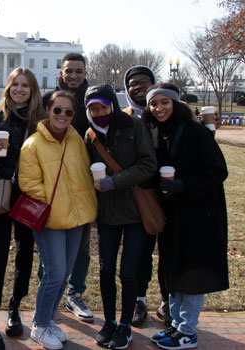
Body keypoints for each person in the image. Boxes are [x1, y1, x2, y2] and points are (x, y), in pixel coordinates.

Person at [143, 83, 228, 350]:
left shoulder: (196, 132)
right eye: (154, 104)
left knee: (192, 274)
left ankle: (188, 332)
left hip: (199, 214)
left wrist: (183, 185)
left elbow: (217, 171)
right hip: (174, 214)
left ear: (175, 104)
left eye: (164, 103)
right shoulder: (159, 133)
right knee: (175, 270)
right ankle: (177, 325)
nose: (159, 108)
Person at [18, 90, 97, 350]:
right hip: (51, 219)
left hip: (76, 218)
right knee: (53, 275)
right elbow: (29, 184)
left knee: (64, 275)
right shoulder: (32, 144)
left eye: (68, 112)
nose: (62, 116)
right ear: (47, 111)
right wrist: (59, 200)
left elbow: (84, 176)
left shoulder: (76, 140)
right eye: (57, 110)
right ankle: (39, 327)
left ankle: (47, 319)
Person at [0, 67, 46, 350]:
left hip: (30, 196)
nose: (19, 89)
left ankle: (15, 305)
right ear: (8, 87)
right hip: (2, 193)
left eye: (25, 86)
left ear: (32, 90)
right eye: (15, 84)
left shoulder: (41, 119)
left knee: (25, 253)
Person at [85, 84, 157, 349]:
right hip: (107, 213)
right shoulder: (90, 134)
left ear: (112, 104)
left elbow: (148, 164)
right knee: (105, 270)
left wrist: (116, 182)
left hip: (136, 210)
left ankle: (125, 324)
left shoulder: (133, 126)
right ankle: (109, 322)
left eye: (103, 106)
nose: (99, 112)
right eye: (93, 108)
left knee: (128, 271)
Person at [42, 52, 94, 323]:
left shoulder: (93, 101)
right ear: (61, 73)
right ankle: (47, 292)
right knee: (50, 248)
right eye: (69, 70)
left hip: (83, 186)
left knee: (81, 247)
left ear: (85, 73)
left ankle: (75, 293)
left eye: (78, 70)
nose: (73, 75)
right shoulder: (48, 100)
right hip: (52, 185)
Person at [122, 65, 171, 327]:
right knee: (141, 252)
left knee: (170, 251)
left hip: (172, 196)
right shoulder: (124, 117)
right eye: (133, 83)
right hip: (141, 195)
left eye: (145, 81)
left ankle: (167, 301)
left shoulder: (167, 114)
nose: (138, 86)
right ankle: (139, 300)